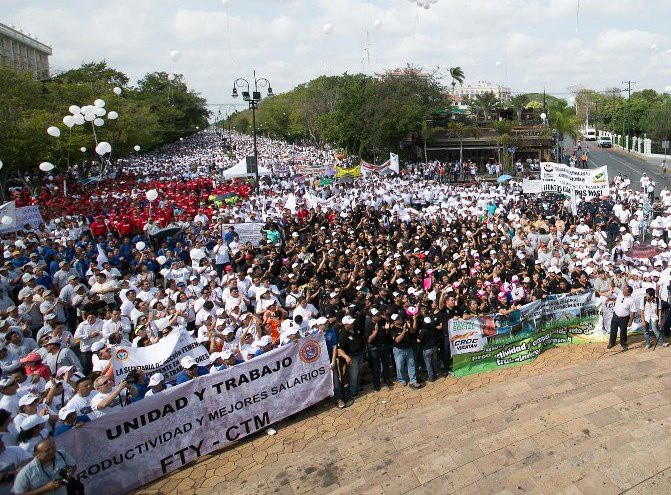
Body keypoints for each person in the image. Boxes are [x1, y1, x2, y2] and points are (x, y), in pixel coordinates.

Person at [13, 438, 78, 495]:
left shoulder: (62, 454)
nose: (52, 451)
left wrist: (70, 473)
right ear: (37, 454)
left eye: (53, 447)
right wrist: (45, 489)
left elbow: (73, 466)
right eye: (47, 450)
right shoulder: (26, 472)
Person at [609, 284, 636, 351]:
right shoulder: (620, 293)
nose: (623, 290)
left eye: (625, 290)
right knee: (613, 330)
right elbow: (613, 287)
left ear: (629, 292)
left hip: (624, 319)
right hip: (615, 316)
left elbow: (632, 312)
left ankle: (623, 344)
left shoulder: (631, 300)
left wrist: (630, 321)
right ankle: (611, 343)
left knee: (623, 331)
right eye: (623, 289)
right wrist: (612, 280)